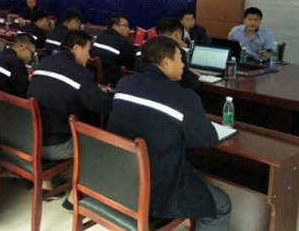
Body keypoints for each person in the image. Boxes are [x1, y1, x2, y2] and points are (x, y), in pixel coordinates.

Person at [107, 36, 231, 230]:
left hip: (117, 180)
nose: (183, 66)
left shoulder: (124, 84)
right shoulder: (184, 98)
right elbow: (207, 138)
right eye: (181, 59)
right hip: (155, 192)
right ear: (166, 62)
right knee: (221, 205)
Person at [28, 31, 112, 159]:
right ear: (76, 48)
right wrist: (112, 97)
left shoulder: (44, 62)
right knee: (102, 144)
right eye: (88, 50)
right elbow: (98, 104)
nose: (89, 56)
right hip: (56, 146)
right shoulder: (81, 74)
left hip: (29, 139)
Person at [143, 18, 199, 91]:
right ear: (178, 34)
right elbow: (189, 82)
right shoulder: (177, 52)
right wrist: (195, 76)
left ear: (159, 32)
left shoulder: (146, 47)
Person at [0, 33, 35, 98]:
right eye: (32, 53)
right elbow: (25, 93)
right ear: (22, 47)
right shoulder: (16, 63)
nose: (30, 58)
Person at [91, 14, 136, 87]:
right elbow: (131, 64)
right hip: (113, 81)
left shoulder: (100, 36)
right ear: (115, 26)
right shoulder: (122, 43)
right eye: (125, 26)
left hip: (95, 77)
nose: (128, 29)